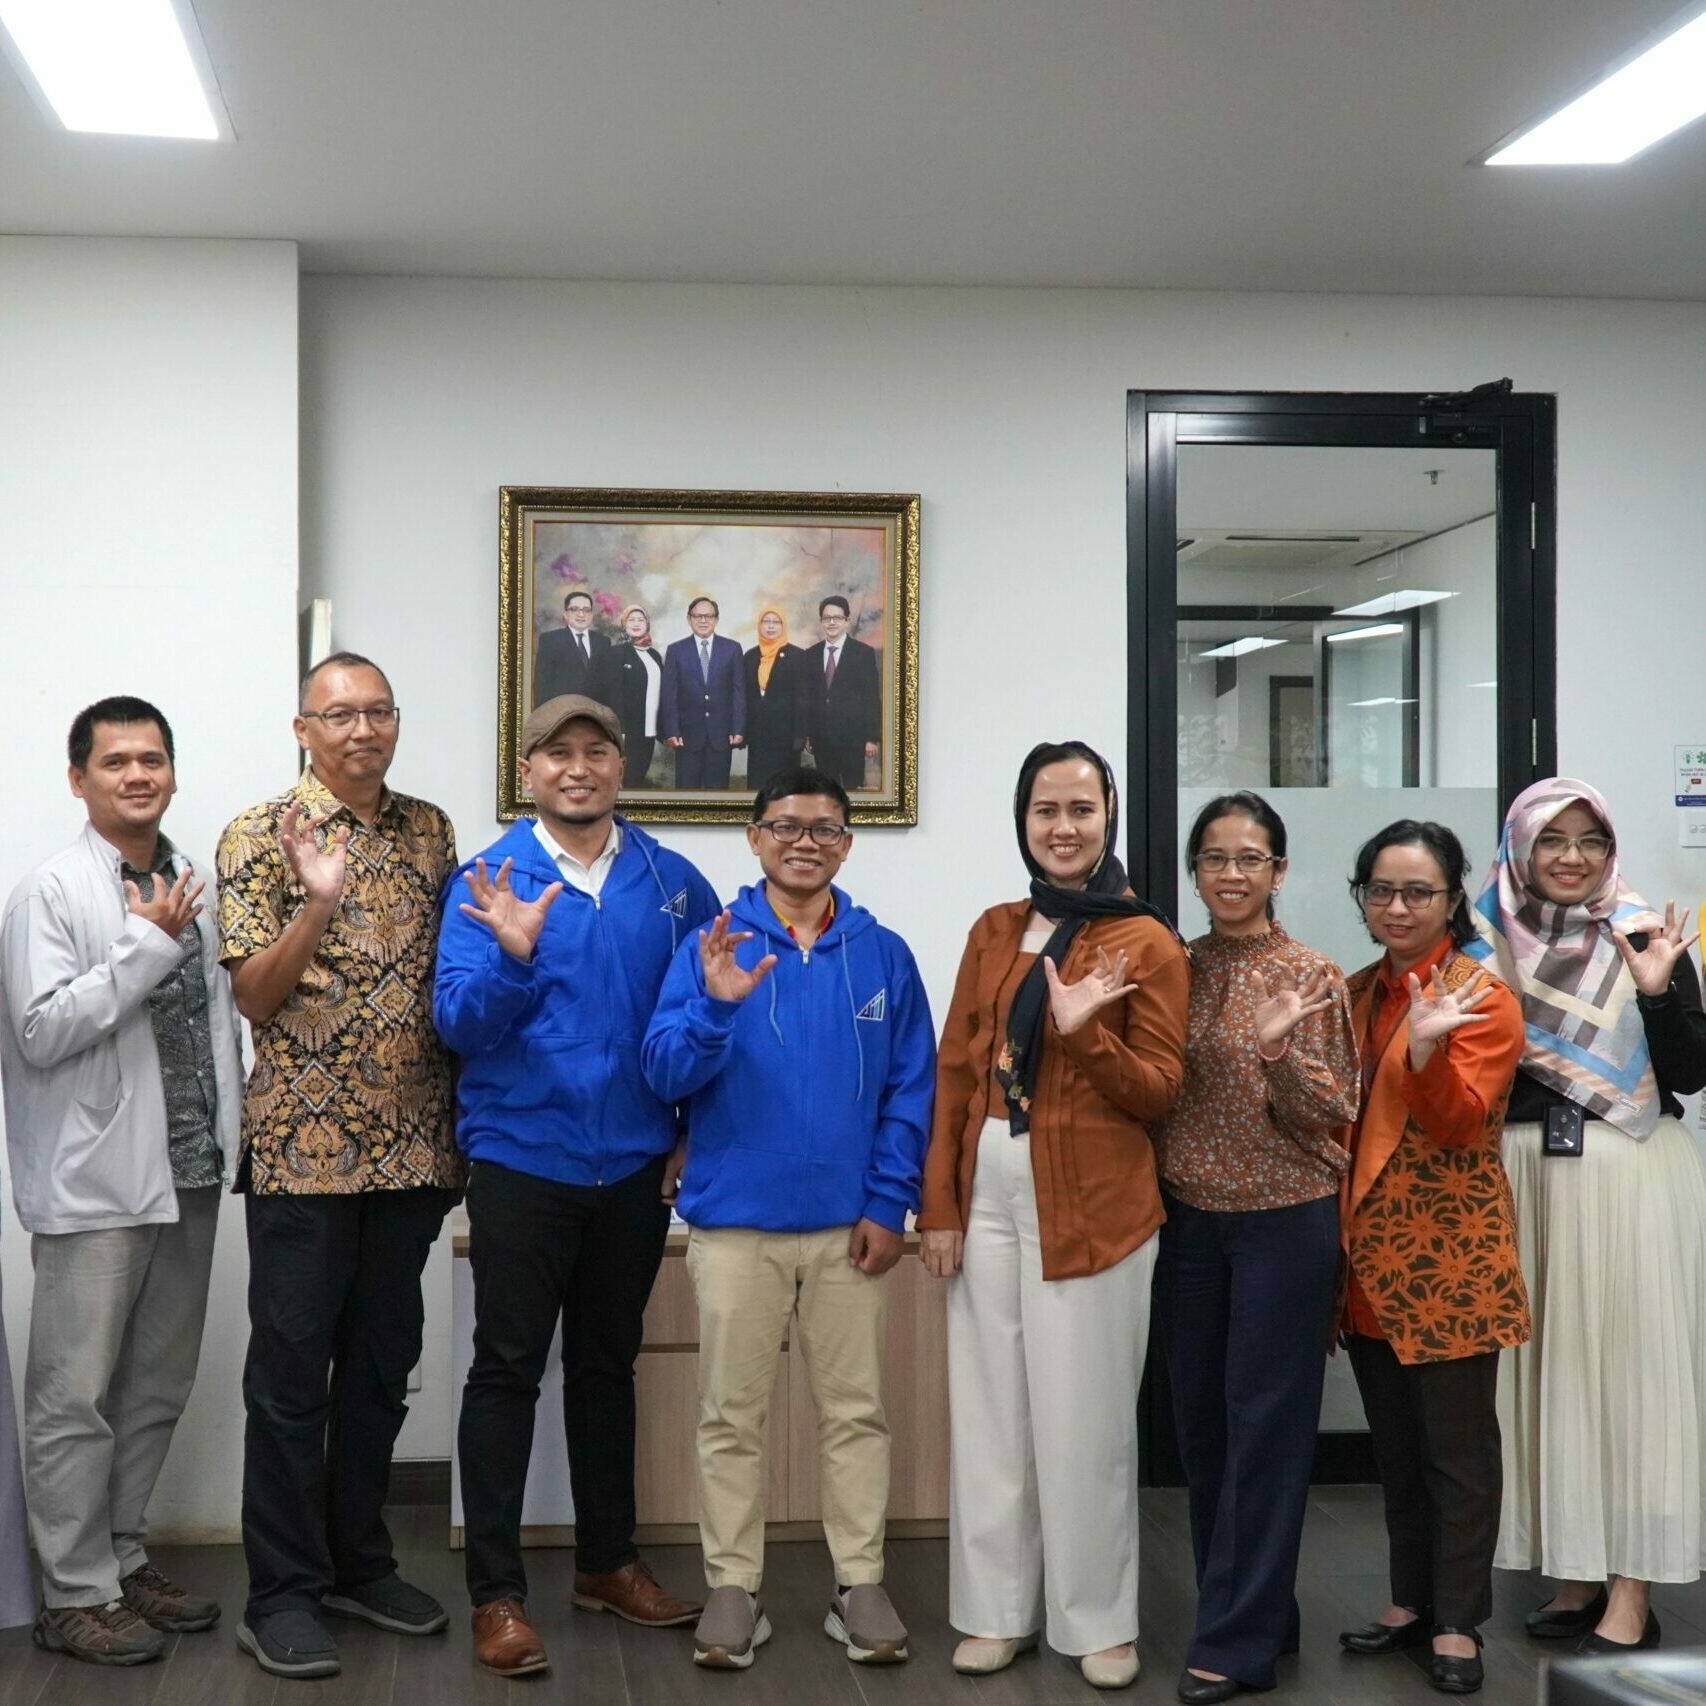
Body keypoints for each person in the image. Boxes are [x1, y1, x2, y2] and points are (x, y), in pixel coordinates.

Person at [434, 693, 720, 1678]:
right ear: (529, 771)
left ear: (621, 767)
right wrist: (513, 957)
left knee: (606, 1367)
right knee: (506, 1370)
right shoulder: (488, 879)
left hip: (633, 1167)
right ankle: (497, 1594)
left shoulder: (672, 883)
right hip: (522, 1160)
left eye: (597, 750)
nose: (579, 766)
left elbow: (706, 1013)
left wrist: (691, 1131)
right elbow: (458, 1023)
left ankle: (607, 1562)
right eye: (558, 752)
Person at [643, 767, 936, 1672]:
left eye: (825, 828)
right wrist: (715, 1008)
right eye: (786, 825)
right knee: (729, 1415)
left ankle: (860, 1583)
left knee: (856, 1412)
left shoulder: (883, 955)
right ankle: (733, 1586)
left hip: (851, 1230)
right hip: (736, 1225)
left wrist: (889, 1202)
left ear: (847, 843)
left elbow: (911, 1089)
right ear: (755, 837)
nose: (805, 841)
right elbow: (662, 1070)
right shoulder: (711, 943)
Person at [917, 740, 1190, 1692]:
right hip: (988, 1183)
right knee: (990, 1412)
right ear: (1023, 820)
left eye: (1081, 808)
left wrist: (1087, 1037)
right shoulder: (996, 929)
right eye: (1046, 810)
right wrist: (939, 1205)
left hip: (1095, 1201)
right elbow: (955, 1072)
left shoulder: (1146, 942)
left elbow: (1159, 1092)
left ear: (1108, 815)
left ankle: (1098, 1621)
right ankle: (996, 1612)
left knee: (1086, 1422)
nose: (1063, 827)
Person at [217, 652, 463, 1681]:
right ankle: (280, 1592)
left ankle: (359, 1562)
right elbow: (252, 997)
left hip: (414, 1147)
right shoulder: (258, 833)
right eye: (340, 714)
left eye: (379, 711)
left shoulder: (430, 829)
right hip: (303, 1154)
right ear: (303, 728)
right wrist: (314, 903)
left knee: (378, 1372)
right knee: (290, 1380)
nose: (363, 729)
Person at [1, 695, 242, 1663]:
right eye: (115, 762)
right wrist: (145, 946)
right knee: (75, 1395)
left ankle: (122, 1555)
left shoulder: (191, 878)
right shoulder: (52, 891)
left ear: (172, 772)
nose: (137, 775)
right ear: (79, 780)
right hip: (95, 1176)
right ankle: (72, 1590)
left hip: (190, 1166)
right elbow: (38, 1029)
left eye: (152, 759)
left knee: (154, 1384)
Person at [1469, 779, 1706, 1655]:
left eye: (1590, 840)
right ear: (1519, 848)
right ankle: (1576, 1568)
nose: (1571, 858)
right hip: (1521, 1181)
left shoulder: (1646, 934)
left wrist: (1655, 992)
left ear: (1610, 850)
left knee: (1632, 1378)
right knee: (1550, 1376)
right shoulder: (1483, 942)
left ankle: (1633, 1587)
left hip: (1630, 1178)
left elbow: (1691, 1074)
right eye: (1552, 839)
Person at [1152, 792, 1357, 1704]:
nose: (1231, 874)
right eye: (1214, 858)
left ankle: (1234, 1644)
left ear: (1279, 871)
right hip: (1189, 1222)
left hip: (1285, 1221)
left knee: (1266, 1430)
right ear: (1194, 872)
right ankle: (1260, 1615)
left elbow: (1335, 1110)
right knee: (1203, 1429)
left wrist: (1278, 1052)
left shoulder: (1310, 974)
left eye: (1250, 858)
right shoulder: (1173, 967)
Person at [1336, 819, 1528, 1698]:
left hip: (1450, 1264)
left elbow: (1458, 1125)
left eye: (1419, 891)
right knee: (1397, 1450)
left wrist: (1421, 1050)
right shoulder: (1355, 991)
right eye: (1381, 889)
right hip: (1368, 1263)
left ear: (1453, 898)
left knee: (1458, 1455)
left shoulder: (1483, 997)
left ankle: (1458, 1619)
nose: (1398, 906)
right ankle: (1410, 1599)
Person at [658, 596, 746, 788]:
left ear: (716, 619)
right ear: (689, 619)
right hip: (686, 737)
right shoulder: (675, 650)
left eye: (708, 616)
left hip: (721, 735)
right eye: (698, 616)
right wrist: (672, 730)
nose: (703, 620)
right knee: (686, 792)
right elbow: (669, 694)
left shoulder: (732, 649)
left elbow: (738, 691)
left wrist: (738, 728)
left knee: (718, 792)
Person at [801, 596, 881, 791]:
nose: (831, 622)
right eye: (827, 618)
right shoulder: (810, 655)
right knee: (826, 792)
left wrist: (871, 738)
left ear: (847, 620)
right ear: (821, 621)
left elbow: (871, 697)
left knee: (852, 791)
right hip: (821, 739)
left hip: (853, 739)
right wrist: (807, 734)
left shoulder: (862, 653)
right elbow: (807, 698)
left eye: (837, 618)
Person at [593, 606, 664, 786]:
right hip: (627, 731)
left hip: (650, 729)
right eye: (631, 619)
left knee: (637, 778)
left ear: (647, 624)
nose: (636, 623)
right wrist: (619, 728)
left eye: (640, 619)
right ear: (624, 624)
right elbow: (613, 693)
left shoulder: (654, 655)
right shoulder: (616, 653)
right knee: (622, 780)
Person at [740, 608, 808, 792]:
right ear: (759, 625)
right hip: (758, 737)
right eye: (766, 621)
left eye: (776, 622)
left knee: (786, 789)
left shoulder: (797, 656)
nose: (770, 626)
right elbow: (744, 697)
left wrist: (800, 735)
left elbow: (802, 698)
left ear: (783, 626)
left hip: (786, 738)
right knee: (758, 789)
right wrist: (743, 732)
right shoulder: (750, 656)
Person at [533, 589, 611, 706]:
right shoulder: (550, 640)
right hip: (563, 711)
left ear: (591, 614)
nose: (581, 614)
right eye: (574, 609)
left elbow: (608, 683)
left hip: (595, 712)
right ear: (566, 614)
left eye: (586, 610)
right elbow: (542, 684)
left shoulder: (603, 642)